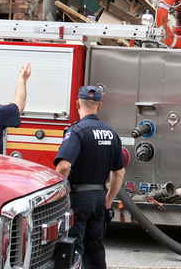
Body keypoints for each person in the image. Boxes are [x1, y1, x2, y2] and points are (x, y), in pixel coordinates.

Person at [54, 86, 125, 269]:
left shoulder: (77, 131)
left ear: (77, 103)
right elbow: (119, 172)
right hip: (99, 199)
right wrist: (108, 200)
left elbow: (64, 166)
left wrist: (56, 196)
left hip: (78, 200)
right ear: (99, 106)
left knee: (74, 250)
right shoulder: (111, 134)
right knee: (95, 250)